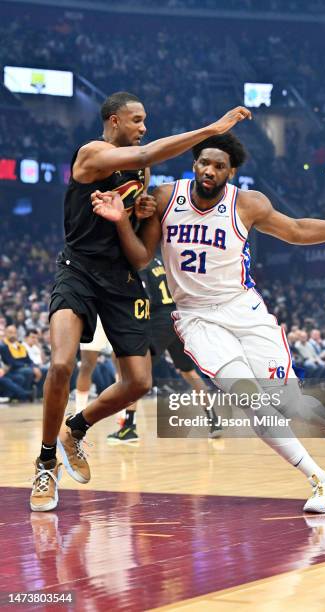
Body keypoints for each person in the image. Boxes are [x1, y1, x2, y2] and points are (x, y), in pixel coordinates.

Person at [92, 132, 325, 513]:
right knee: (250, 400)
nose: (209, 170)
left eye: (219, 166)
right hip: (197, 318)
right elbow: (139, 257)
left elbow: (296, 230)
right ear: (194, 164)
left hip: (243, 311)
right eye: (204, 162)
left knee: (289, 403)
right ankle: (321, 480)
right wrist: (129, 220)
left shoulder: (247, 204)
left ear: (230, 172)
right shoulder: (168, 198)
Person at [30, 91, 251, 513]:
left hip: (121, 280)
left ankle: (75, 429)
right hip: (78, 271)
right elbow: (148, 149)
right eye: (136, 120)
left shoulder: (142, 173)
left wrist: (140, 217)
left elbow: (141, 257)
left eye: (145, 120)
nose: (143, 127)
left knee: (139, 382)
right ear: (114, 121)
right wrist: (212, 129)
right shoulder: (91, 154)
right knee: (61, 364)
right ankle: (45, 462)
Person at [107, 256, 222, 443]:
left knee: (135, 374)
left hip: (159, 320)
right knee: (188, 372)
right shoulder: (163, 263)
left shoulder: (140, 264)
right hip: (178, 318)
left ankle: (129, 428)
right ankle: (214, 420)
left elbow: (143, 297)